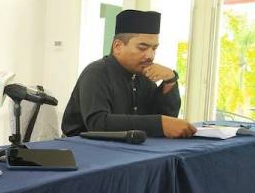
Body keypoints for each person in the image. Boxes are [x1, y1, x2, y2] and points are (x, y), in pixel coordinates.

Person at [61, 9, 197, 138]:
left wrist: (170, 80)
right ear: (118, 46)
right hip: (83, 152)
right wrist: (159, 123)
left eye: (154, 48)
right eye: (142, 48)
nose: (150, 55)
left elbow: (166, 122)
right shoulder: (96, 73)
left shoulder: (144, 75)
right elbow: (98, 123)